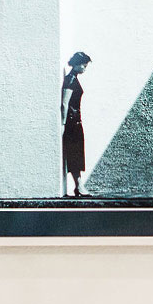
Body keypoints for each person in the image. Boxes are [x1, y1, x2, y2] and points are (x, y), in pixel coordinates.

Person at [61, 51, 92, 197]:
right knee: (75, 154)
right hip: (72, 123)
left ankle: (79, 186)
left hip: (76, 121)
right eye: (84, 65)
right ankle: (79, 186)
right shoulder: (71, 80)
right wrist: (63, 123)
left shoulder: (73, 78)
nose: (85, 68)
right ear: (77, 64)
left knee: (78, 154)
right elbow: (64, 103)